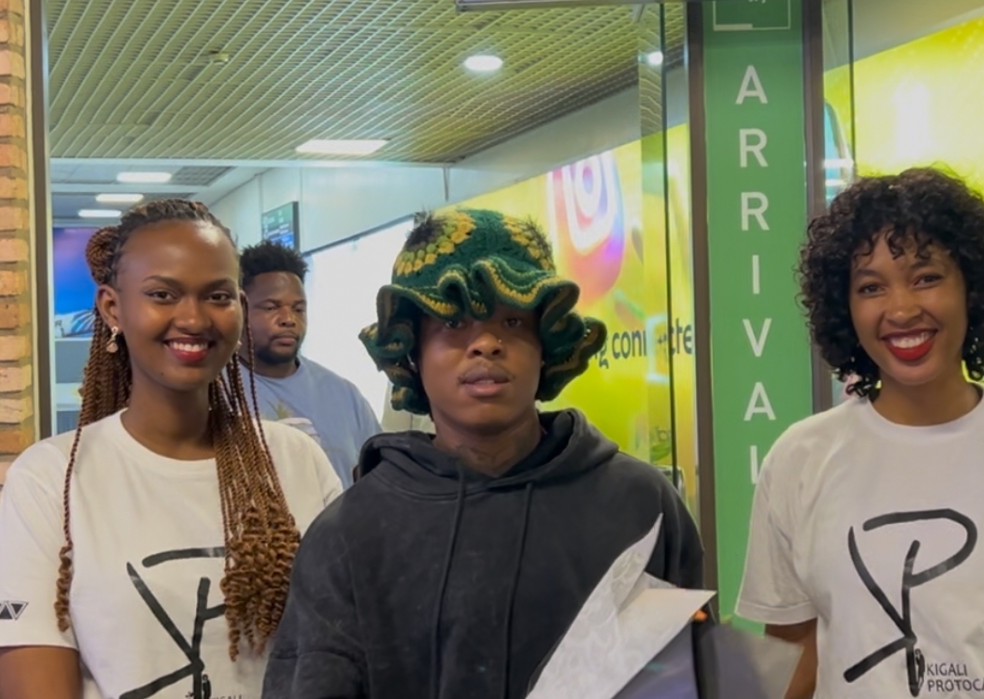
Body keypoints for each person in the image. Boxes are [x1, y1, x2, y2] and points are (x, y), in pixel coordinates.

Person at [264, 208, 704, 699]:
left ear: (547, 343)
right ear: (410, 350)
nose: (487, 344)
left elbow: (690, 674)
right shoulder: (352, 532)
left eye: (513, 320)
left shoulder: (640, 506)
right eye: (453, 322)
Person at [736, 168, 984, 698]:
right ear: (844, 308)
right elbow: (792, 656)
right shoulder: (799, 460)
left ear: (973, 287)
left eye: (926, 277)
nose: (900, 309)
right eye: (871, 287)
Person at [0, 200, 343, 699]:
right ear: (112, 308)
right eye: (162, 294)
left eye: (217, 296)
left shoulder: (296, 461)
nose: (192, 318)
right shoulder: (51, 478)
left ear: (238, 306)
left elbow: (339, 654)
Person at [238, 240, 381, 487]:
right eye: (271, 307)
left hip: (341, 526)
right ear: (239, 310)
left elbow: (375, 478)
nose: (288, 319)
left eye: (298, 309)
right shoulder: (213, 393)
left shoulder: (344, 395)